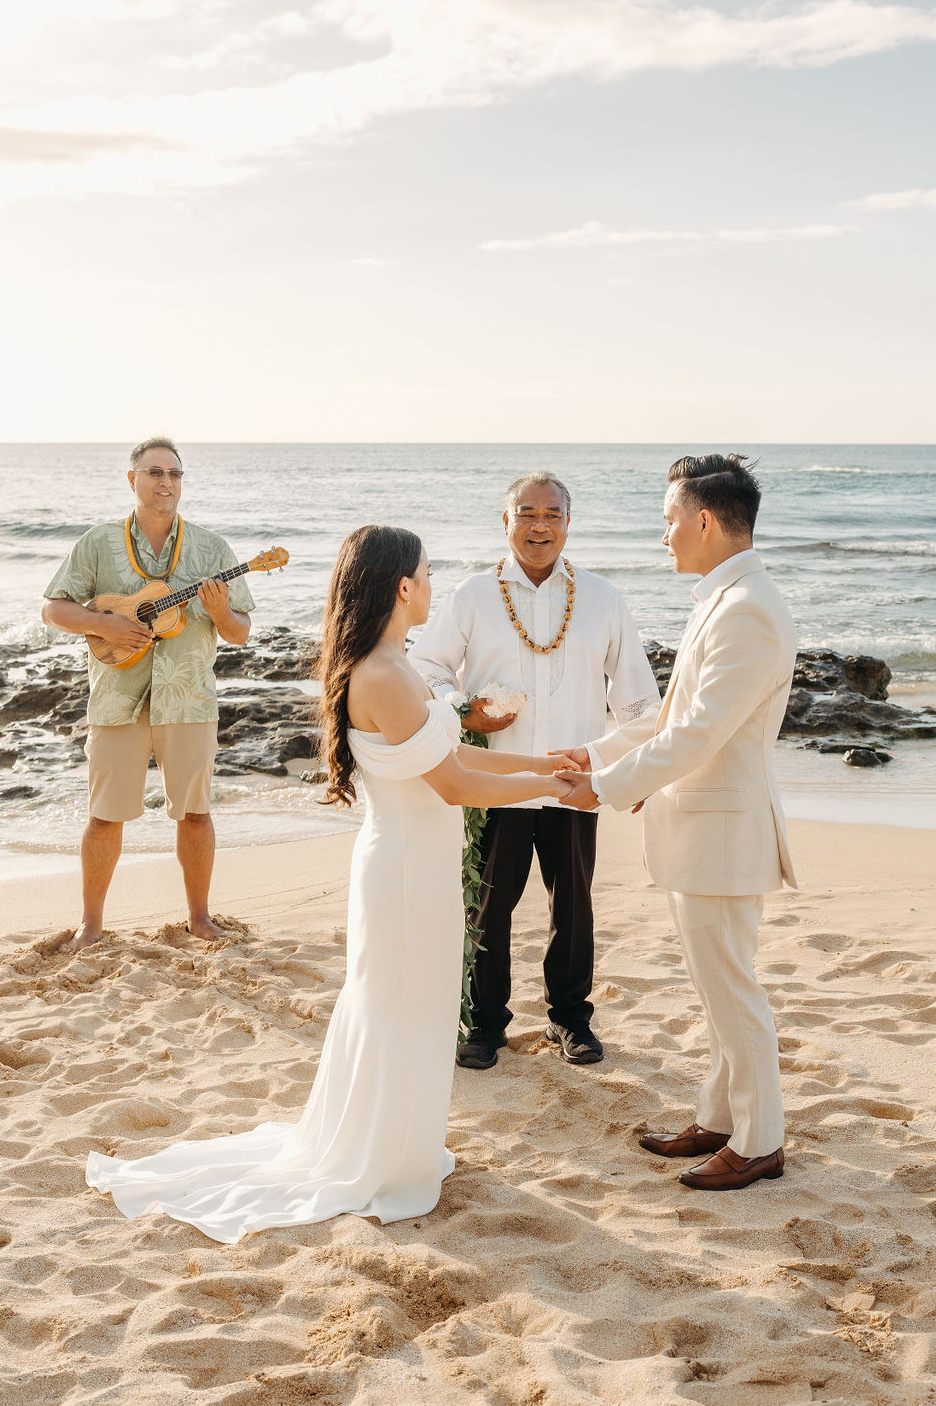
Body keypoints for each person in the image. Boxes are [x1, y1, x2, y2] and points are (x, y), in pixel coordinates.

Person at [86, 525, 578, 1240]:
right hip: (406, 872)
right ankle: (383, 1156)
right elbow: (454, 784)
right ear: (403, 586)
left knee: (415, 1007)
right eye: (428, 573)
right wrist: (560, 790)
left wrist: (544, 769)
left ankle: (400, 1143)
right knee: (401, 1010)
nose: (433, 586)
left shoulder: (392, 665)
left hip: (416, 865)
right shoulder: (382, 676)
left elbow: (454, 758)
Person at [555, 454, 797, 1191]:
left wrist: (603, 787)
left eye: (668, 523)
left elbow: (698, 736)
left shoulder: (749, 608)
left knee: (732, 990)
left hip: (722, 834)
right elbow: (671, 717)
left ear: (702, 521)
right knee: (716, 986)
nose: (663, 538)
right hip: (702, 828)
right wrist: (596, 755)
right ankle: (722, 1120)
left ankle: (760, 1142)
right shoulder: (723, 599)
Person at [411, 472, 659, 1070]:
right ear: (506, 522)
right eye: (526, 514)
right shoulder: (472, 594)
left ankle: (570, 1020)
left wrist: (626, 769)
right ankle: (484, 1024)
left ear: (569, 524)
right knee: (488, 906)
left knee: (574, 905)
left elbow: (640, 705)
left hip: (575, 782)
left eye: (551, 514)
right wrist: (467, 712)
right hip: (494, 781)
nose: (539, 525)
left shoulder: (603, 598)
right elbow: (425, 671)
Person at [41, 437, 254, 951]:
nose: (166, 483)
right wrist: (104, 626)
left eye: (175, 474)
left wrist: (221, 612)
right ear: (131, 478)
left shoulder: (211, 549)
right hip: (117, 697)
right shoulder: (97, 543)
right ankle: (91, 925)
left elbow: (240, 631)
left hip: (189, 698)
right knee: (104, 814)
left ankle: (199, 918)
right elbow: (53, 609)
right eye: (155, 472)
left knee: (197, 812)